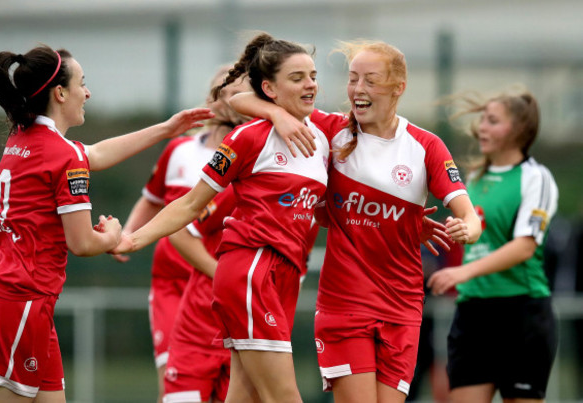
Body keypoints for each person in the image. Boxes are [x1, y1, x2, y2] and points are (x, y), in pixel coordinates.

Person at [230, 39, 481, 403]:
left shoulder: (425, 146)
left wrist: (465, 230)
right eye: (352, 79)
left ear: (398, 88)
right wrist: (279, 114)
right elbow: (238, 99)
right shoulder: (332, 131)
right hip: (343, 305)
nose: (358, 90)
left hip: (402, 306)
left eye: (370, 80)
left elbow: (467, 214)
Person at [0, 45, 213, 403]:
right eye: (83, 82)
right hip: (20, 301)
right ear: (60, 93)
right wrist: (112, 236)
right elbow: (81, 243)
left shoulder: (23, 135)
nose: (88, 92)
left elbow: (94, 154)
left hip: (12, 296)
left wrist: (167, 129)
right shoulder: (64, 155)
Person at [113, 32, 333, 403]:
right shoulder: (246, 139)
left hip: (282, 277)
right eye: (297, 78)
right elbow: (189, 206)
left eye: (312, 75)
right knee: (283, 396)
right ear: (270, 87)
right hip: (251, 273)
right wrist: (132, 238)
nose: (310, 84)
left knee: (244, 393)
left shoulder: (323, 132)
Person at [110, 64, 249, 402]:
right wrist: (126, 235)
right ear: (210, 99)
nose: (232, 97)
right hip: (174, 282)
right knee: (177, 389)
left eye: (240, 91)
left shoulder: (249, 154)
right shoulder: (179, 151)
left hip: (224, 288)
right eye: (224, 89)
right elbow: (152, 200)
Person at [427, 88, 559, 402]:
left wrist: (464, 272)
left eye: (492, 121)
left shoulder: (536, 178)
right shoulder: (472, 179)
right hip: (473, 314)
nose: (480, 127)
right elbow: (475, 234)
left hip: (522, 312)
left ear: (518, 130)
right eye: (482, 119)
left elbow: (525, 246)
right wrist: (458, 229)